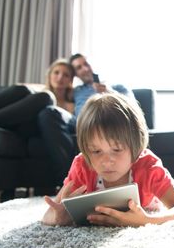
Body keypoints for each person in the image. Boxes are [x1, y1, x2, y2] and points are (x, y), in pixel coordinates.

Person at [41, 92, 174, 227]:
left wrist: (147, 220)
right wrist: (58, 217)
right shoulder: (83, 165)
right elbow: (48, 215)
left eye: (117, 149)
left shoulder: (148, 165)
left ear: (136, 147)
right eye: (96, 151)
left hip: (149, 209)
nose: (107, 161)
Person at [38, 53, 133, 186]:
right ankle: (66, 183)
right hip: (81, 124)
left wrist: (109, 91)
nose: (85, 69)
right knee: (50, 112)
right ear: (76, 74)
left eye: (86, 64)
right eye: (79, 67)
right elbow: (54, 88)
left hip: (111, 123)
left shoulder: (118, 87)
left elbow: (133, 109)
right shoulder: (76, 91)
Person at [0, 59, 75, 138]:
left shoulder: (71, 105)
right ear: (49, 75)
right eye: (56, 72)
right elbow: (22, 88)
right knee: (23, 89)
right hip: (12, 120)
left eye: (65, 75)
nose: (60, 78)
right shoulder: (38, 95)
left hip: (31, 128)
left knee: (47, 97)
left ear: (70, 81)